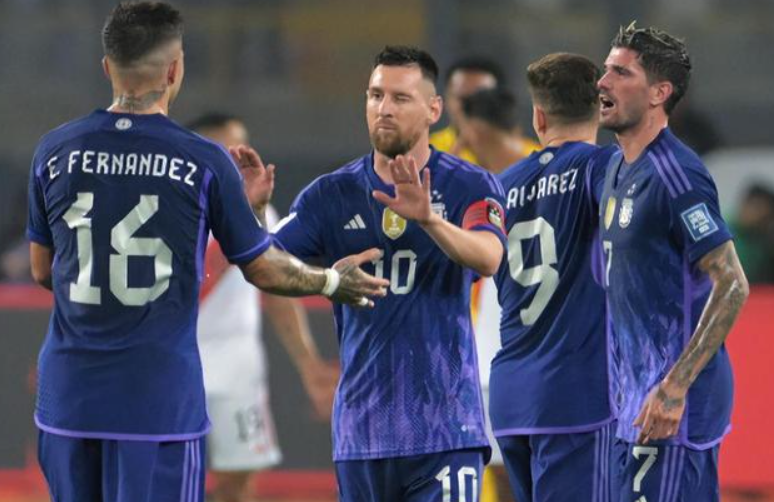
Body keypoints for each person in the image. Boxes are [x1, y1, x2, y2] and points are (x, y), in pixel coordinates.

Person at [25, 3, 387, 501]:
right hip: (157, 399)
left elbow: (43, 269)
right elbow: (262, 268)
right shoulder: (201, 161)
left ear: (107, 67)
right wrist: (330, 281)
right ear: (175, 70)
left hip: (69, 395)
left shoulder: (54, 151)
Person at [266, 45, 507, 501]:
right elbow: (264, 265)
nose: (384, 109)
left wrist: (430, 220)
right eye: (376, 95)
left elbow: (489, 256)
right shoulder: (330, 195)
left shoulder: (469, 184)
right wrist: (322, 278)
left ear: (433, 109)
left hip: (445, 429)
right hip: (362, 433)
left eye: (400, 98)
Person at [597, 23, 749, 501]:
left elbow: (732, 283)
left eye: (621, 73)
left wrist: (675, 387)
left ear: (659, 93)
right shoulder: (616, 167)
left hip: (671, 410)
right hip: (632, 403)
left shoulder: (677, 173)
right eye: (606, 70)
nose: (602, 82)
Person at [488, 53, 618, 502]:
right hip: (576, 394)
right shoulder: (604, 168)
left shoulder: (500, 185)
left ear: (538, 117)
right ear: (600, 109)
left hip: (511, 395)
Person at [189, 113, 339, 502]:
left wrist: (309, 364)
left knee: (238, 481)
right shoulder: (171, 208)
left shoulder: (260, 211)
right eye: (223, 149)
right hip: (178, 362)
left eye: (240, 147)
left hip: (238, 365)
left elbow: (277, 295)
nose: (234, 158)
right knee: (167, 476)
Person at [456, 86, 536, 502]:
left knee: (516, 477)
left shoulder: (488, 188)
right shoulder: (544, 169)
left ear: (474, 128)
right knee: (515, 475)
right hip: (519, 351)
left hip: (506, 351)